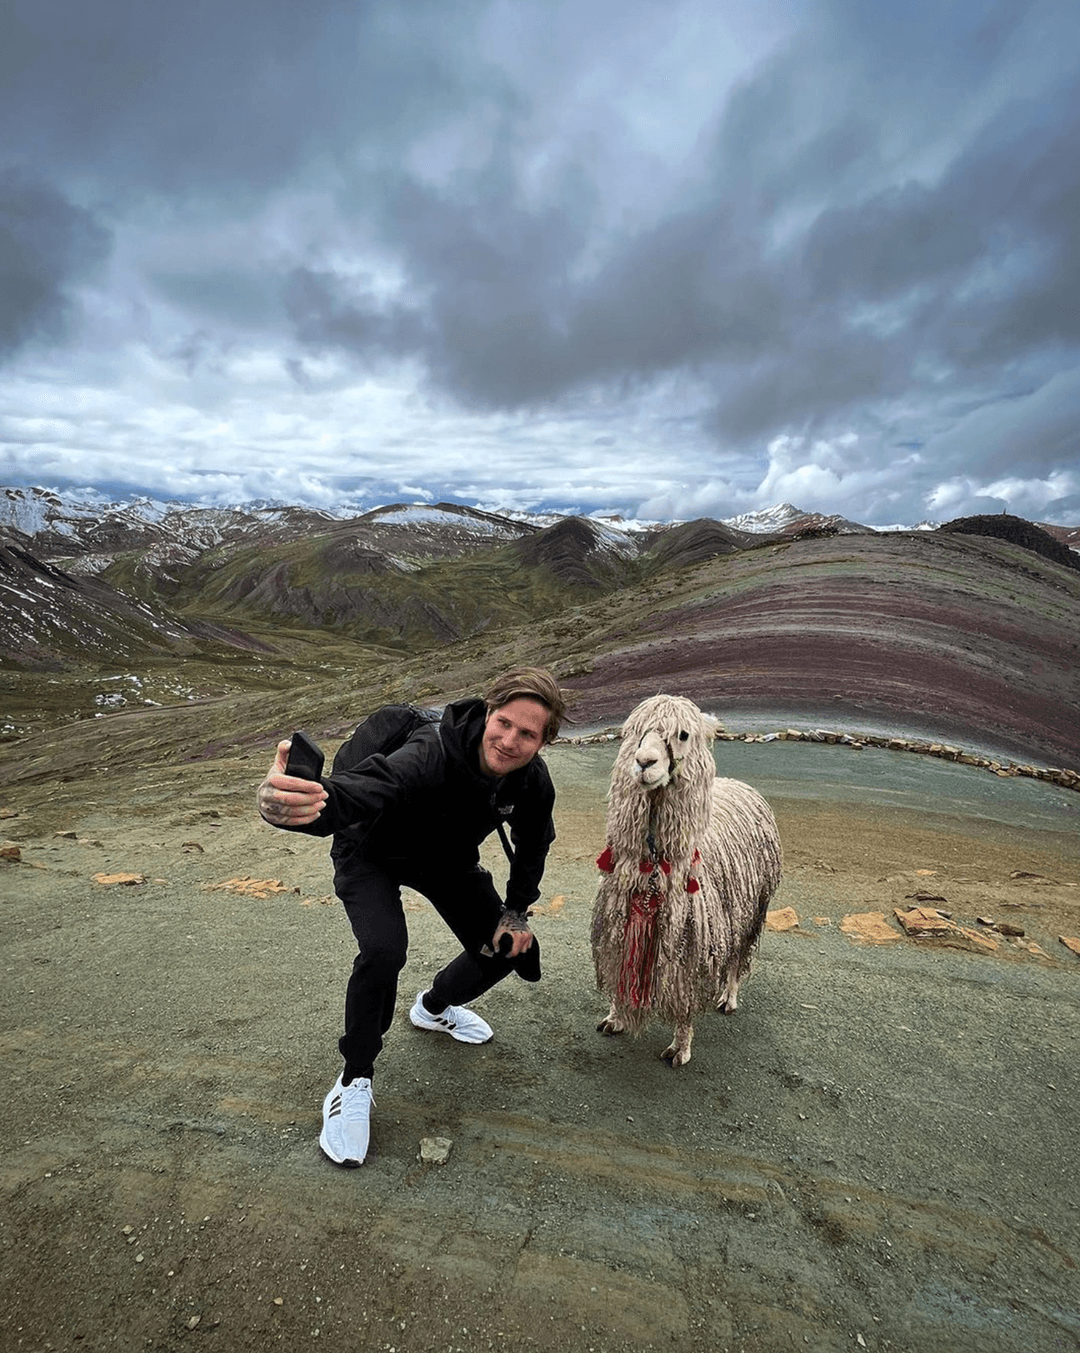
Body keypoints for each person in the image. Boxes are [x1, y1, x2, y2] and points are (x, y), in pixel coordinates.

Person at [256, 666, 566, 1167]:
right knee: (383, 950)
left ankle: (433, 1007)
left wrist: (516, 911)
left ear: (544, 741)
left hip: (445, 859)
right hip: (370, 850)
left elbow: (534, 844)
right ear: (489, 712)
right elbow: (367, 787)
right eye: (504, 722)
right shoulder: (431, 750)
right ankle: (354, 1077)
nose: (509, 740)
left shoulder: (531, 783)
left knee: (506, 949)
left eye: (527, 733)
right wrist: (305, 806)